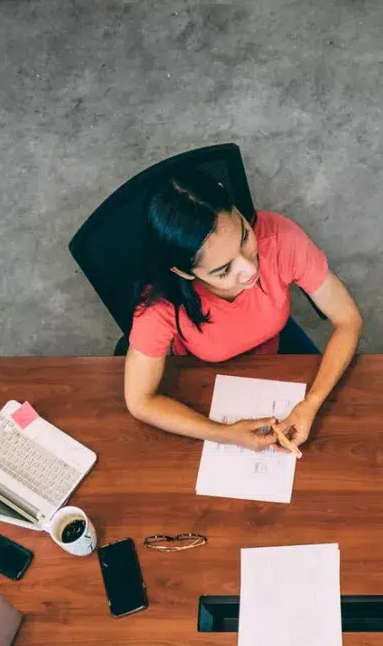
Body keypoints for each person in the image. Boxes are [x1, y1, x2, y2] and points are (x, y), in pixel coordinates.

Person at [122, 168, 364, 458]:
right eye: (223, 270)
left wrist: (311, 403)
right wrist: (223, 433)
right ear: (184, 273)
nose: (250, 270)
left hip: (277, 343)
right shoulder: (161, 305)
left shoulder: (279, 238)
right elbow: (139, 401)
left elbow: (348, 319)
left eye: (244, 238)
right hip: (204, 376)